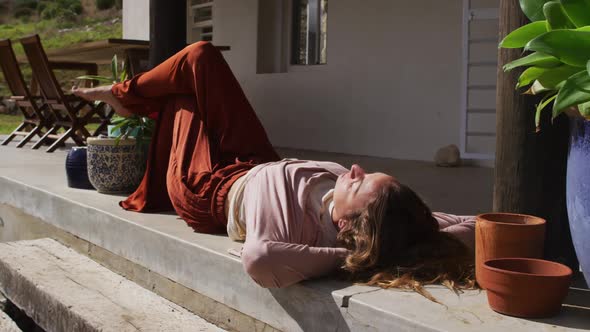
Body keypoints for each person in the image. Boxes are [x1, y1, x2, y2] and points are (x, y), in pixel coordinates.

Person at [73, 42, 476, 296]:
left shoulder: (291, 231)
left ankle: (123, 97)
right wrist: (400, 243)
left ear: (351, 225)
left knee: (183, 95)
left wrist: (355, 257)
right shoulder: (396, 222)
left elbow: (261, 260)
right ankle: (123, 96)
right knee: (202, 57)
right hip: (258, 159)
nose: (355, 169)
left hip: (209, 188)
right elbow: (474, 224)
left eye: (361, 182)